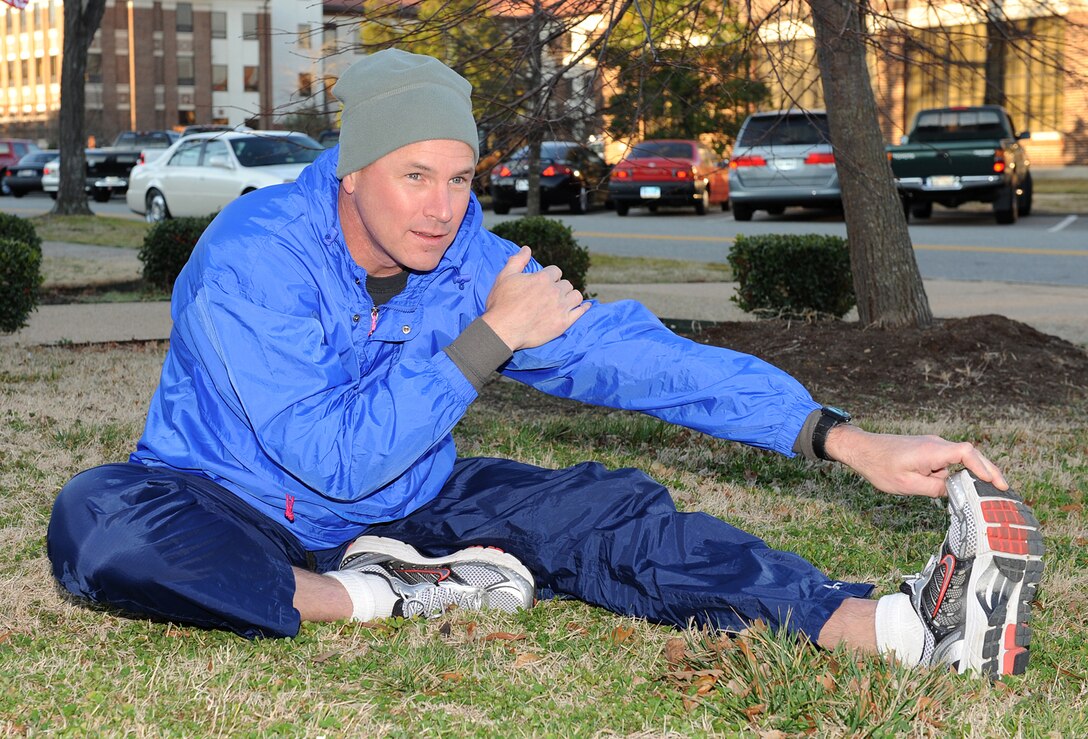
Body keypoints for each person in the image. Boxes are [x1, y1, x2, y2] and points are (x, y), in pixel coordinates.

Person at [46, 49, 1043, 678]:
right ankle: (381, 594)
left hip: (405, 498)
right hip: (222, 497)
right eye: (411, 175)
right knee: (96, 523)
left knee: (606, 512)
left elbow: (631, 359)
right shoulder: (252, 256)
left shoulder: (469, 259)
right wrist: (490, 339)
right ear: (350, 172)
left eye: (458, 177)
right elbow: (324, 457)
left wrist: (838, 436)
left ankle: (900, 629)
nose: (440, 207)